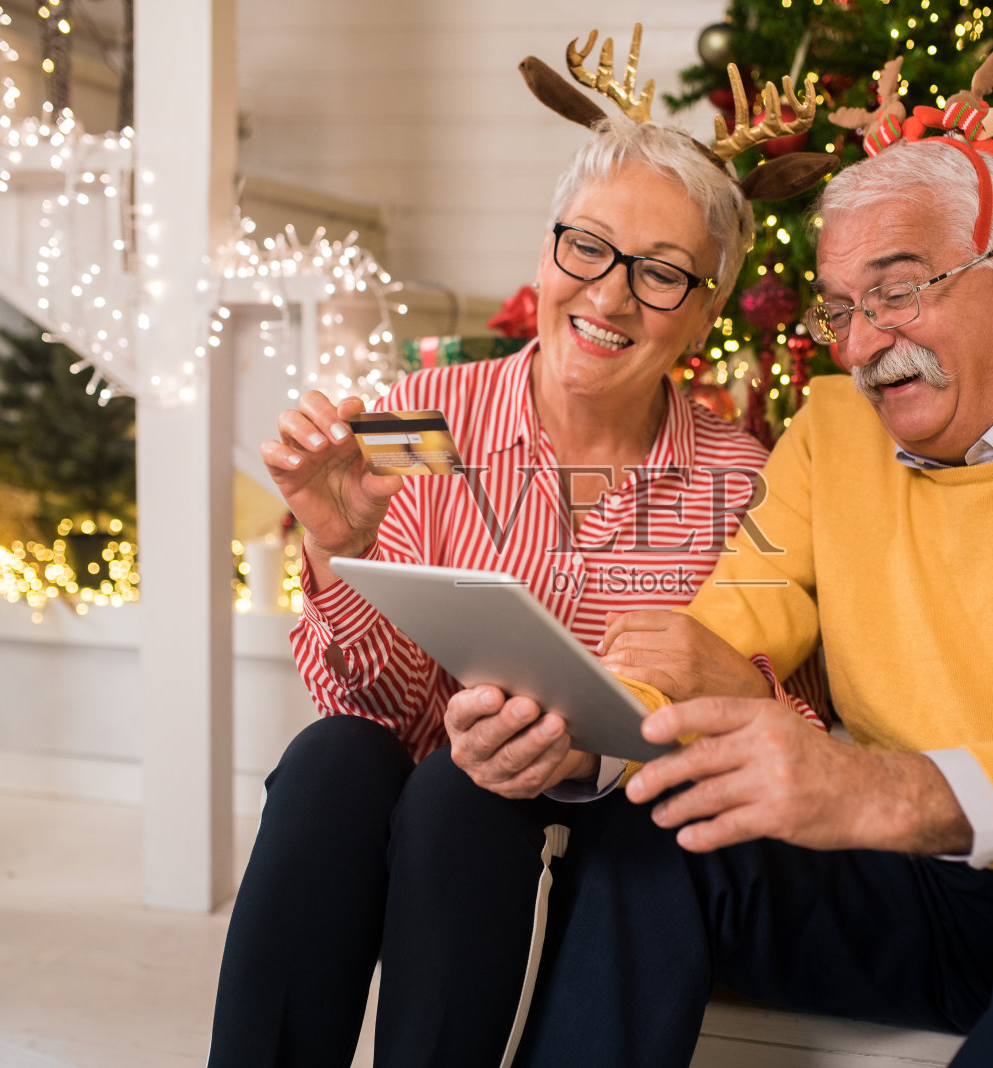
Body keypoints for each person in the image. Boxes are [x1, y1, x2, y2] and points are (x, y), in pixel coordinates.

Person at [407, 134, 993, 1067]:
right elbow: (713, 635)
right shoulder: (831, 432)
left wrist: (890, 790)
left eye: (896, 293)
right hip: (928, 887)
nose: (864, 345)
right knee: (661, 820)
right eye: (842, 309)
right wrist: (584, 733)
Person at [205, 101, 837, 1066]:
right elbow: (382, 709)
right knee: (337, 757)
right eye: (587, 248)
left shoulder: (743, 481)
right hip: (437, 799)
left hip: (625, 820)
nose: (611, 299)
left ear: (708, 307)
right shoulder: (420, 421)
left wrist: (714, 687)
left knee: (467, 794)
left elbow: (802, 725)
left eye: (661, 273)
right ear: (546, 257)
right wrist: (341, 548)